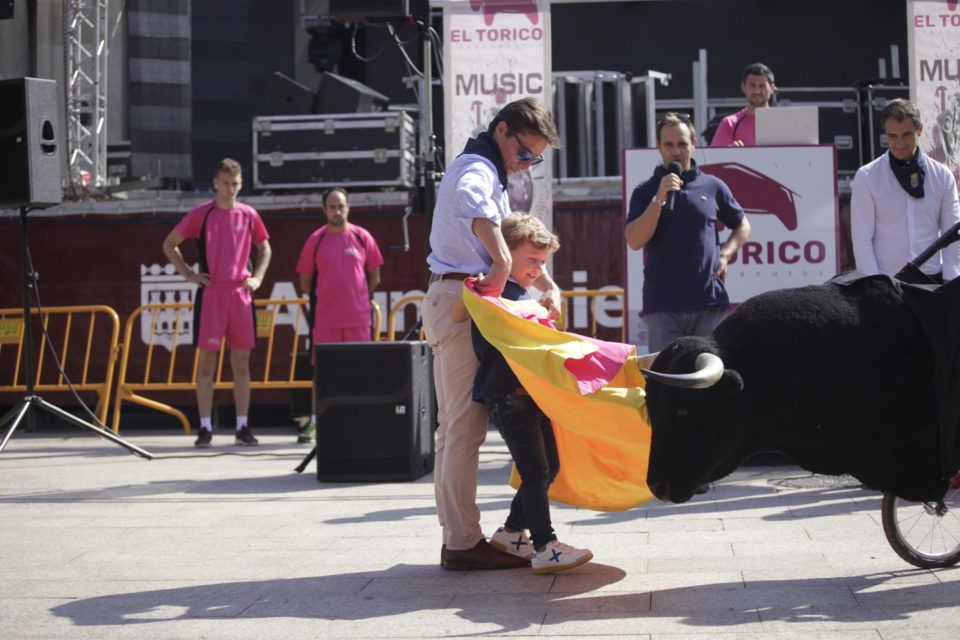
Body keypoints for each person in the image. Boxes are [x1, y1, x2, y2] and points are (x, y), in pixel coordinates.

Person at [422, 97, 562, 570]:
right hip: (461, 301)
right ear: (502, 130)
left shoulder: (489, 170)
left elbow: (510, 240)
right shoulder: (477, 167)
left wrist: (542, 280)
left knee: (457, 431)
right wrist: (503, 264)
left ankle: (466, 538)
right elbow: (476, 208)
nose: (526, 165)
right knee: (462, 430)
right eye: (524, 153)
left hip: (464, 300)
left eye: (535, 159)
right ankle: (462, 544)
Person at [461, 214, 593, 574]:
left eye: (542, 263)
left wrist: (543, 309)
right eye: (531, 260)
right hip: (508, 395)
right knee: (536, 472)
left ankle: (511, 533)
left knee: (547, 469)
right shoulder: (493, 288)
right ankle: (544, 545)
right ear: (504, 252)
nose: (537, 270)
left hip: (528, 395)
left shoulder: (519, 293)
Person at [162, 158, 272, 447]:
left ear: (241, 183)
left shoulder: (249, 214)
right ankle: (205, 427)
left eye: (235, 184)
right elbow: (169, 244)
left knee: (241, 364)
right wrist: (188, 273)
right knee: (207, 363)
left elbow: (265, 248)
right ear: (215, 183)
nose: (230, 189)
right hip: (212, 295)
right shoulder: (202, 214)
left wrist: (258, 277)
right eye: (225, 183)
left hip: (240, 294)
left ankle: (242, 426)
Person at [626, 112, 752, 352]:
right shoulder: (645, 191)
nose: (676, 151)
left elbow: (743, 225)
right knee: (667, 380)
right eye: (669, 145)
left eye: (682, 144)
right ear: (658, 147)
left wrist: (725, 255)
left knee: (711, 378)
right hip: (662, 306)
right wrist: (658, 201)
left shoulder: (713, 185)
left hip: (709, 303)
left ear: (694, 144)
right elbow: (634, 240)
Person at [295, 187, 384, 443]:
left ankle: (361, 419)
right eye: (332, 207)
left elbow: (374, 276)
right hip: (325, 320)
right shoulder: (316, 240)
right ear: (324, 210)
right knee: (322, 374)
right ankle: (315, 423)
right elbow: (305, 282)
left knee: (360, 372)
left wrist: (357, 298)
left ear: (348, 207)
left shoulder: (361, 236)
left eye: (341, 206)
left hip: (358, 319)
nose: (337, 211)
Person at [851, 98, 960, 283]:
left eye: (906, 135)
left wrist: (951, 279)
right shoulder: (867, 176)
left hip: (932, 281)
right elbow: (862, 239)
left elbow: (953, 234)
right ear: (885, 134)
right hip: (887, 283)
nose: (899, 143)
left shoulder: (942, 176)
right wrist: (873, 286)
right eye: (892, 136)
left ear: (920, 130)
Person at [710, 62, 776, 147]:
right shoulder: (730, 123)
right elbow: (716, 157)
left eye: (762, 86)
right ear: (743, 87)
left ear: (772, 88)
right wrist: (730, 150)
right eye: (752, 85)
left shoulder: (783, 122)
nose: (757, 91)